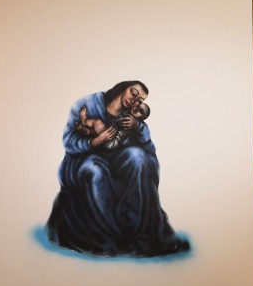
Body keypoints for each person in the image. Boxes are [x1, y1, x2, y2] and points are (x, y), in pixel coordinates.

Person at [46, 80, 189, 258]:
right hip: (86, 157)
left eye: (140, 100)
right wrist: (96, 141)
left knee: (138, 157)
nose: (135, 101)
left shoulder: (131, 116)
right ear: (123, 87)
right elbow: (69, 142)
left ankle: (140, 232)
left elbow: (147, 145)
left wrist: (137, 126)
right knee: (95, 171)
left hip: (116, 158)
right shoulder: (88, 104)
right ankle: (105, 238)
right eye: (133, 93)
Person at [73, 100, 150, 152]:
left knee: (98, 123)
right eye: (137, 106)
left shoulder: (129, 119)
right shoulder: (130, 114)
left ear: (142, 118)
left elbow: (116, 121)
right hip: (112, 141)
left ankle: (84, 120)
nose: (137, 109)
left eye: (141, 111)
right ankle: (87, 131)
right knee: (97, 132)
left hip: (112, 141)